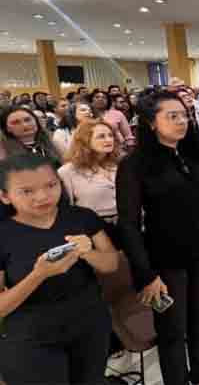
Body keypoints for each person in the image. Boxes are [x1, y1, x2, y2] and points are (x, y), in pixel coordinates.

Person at [116, 91, 199, 385]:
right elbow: (129, 225)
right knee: (172, 330)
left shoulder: (194, 153)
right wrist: (146, 274)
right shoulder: (134, 165)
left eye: (183, 114)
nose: (181, 121)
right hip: (165, 259)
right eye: (171, 116)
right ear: (150, 122)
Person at [0, 153, 118, 385]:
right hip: (32, 337)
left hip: (90, 324)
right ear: (5, 196)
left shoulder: (81, 217)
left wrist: (87, 253)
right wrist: (39, 275)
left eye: (51, 185)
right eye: (27, 191)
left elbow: (111, 264)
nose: (42, 196)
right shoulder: (3, 235)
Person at [58, 120, 122, 246]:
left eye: (111, 135)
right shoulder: (68, 171)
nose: (109, 140)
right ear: (85, 141)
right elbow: (66, 210)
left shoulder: (119, 165)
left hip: (125, 226)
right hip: (92, 231)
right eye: (101, 136)